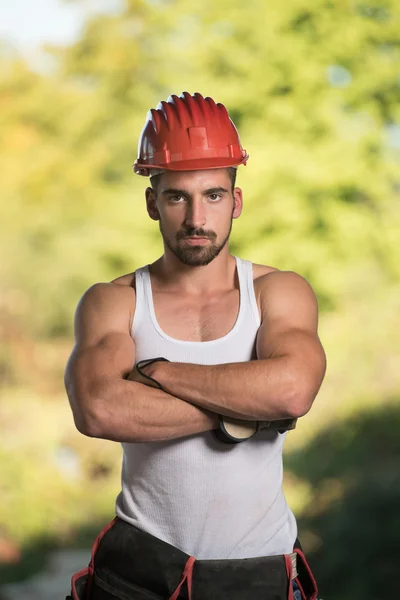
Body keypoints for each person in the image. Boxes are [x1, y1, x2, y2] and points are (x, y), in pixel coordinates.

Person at [64, 91, 326, 600]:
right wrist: (245, 412)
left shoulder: (279, 292)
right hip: (138, 579)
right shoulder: (113, 302)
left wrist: (159, 371)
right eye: (177, 196)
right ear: (151, 202)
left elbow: (291, 393)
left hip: (261, 576)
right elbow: (97, 409)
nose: (196, 219)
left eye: (213, 195)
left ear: (237, 201)